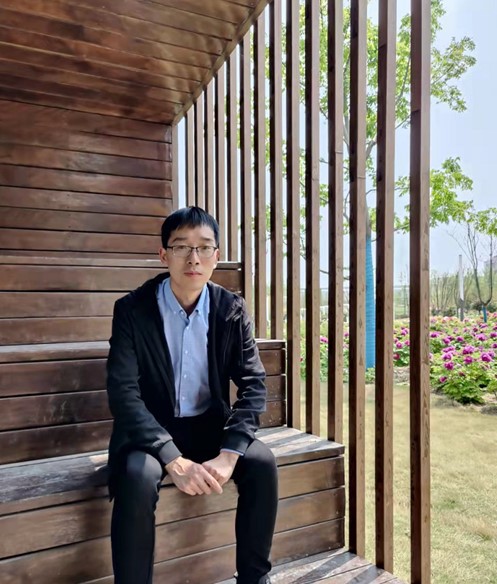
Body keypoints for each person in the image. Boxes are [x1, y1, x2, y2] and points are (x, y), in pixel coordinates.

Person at [106, 206, 278, 584]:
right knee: (136, 476)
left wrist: (230, 454)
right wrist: (172, 459)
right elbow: (123, 393)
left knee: (262, 463)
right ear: (163, 254)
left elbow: (253, 384)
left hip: (208, 426)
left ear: (216, 256)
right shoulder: (132, 310)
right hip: (150, 432)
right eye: (181, 247)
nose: (193, 258)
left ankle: (255, 579)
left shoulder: (231, 309)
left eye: (204, 248)